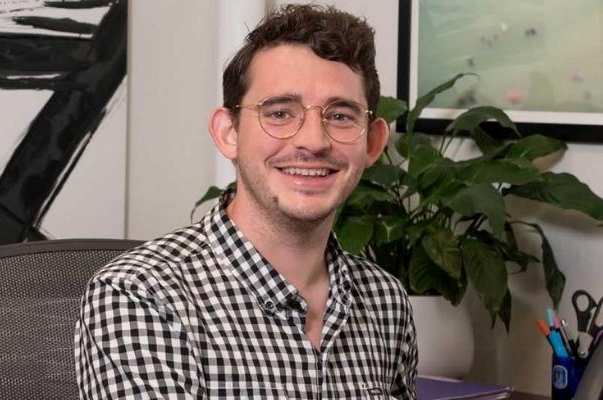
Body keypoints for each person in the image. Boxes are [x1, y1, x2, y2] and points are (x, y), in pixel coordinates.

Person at [74, 4, 415, 399]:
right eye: (280, 112)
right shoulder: (140, 295)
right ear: (228, 133)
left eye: (340, 116)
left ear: (371, 142)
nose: (313, 141)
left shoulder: (386, 302)